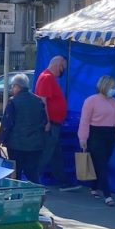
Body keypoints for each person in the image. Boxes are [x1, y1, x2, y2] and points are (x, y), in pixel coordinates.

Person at [77, 75, 115, 206]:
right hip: (96, 135)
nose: (114, 89)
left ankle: (94, 187)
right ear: (105, 86)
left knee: (101, 164)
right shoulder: (91, 101)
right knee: (102, 164)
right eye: (112, 87)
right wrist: (83, 138)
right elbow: (85, 121)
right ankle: (107, 195)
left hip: (110, 135)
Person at [0, 74, 48, 182]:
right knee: (32, 172)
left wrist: (0, 141)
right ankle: (35, 194)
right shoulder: (38, 100)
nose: (12, 88)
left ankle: (17, 195)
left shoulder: (13, 101)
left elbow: (7, 123)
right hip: (35, 145)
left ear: (17, 86)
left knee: (16, 173)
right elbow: (44, 121)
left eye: (13, 86)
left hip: (16, 145)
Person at [35, 55, 72, 187]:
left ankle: (63, 181)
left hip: (55, 122)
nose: (63, 71)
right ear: (58, 65)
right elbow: (42, 101)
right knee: (46, 153)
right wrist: (47, 121)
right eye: (63, 68)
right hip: (51, 123)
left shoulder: (48, 77)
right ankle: (34, 180)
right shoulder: (47, 78)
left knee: (56, 153)